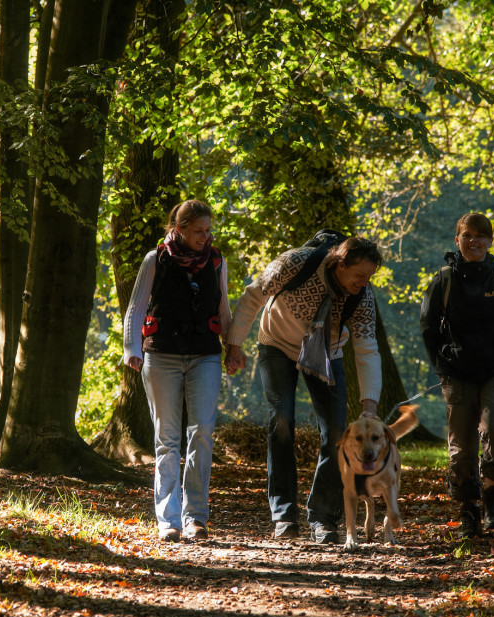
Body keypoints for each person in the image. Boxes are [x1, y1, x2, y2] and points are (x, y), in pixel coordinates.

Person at [224, 235, 383, 544]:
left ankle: (324, 518)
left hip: (327, 353)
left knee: (338, 432)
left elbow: (367, 349)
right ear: (340, 265)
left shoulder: (362, 297)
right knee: (282, 420)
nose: (364, 283)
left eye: (369, 277)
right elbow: (254, 295)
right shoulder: (295, 263)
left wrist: (370, 404)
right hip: (277, 343)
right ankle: (283, 514)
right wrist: (234, 345)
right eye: (359, 275)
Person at [123, 199, 234, 543]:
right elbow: (136, 306)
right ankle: (168, 520)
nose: (206, 236)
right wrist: (131, 348)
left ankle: (196, 517)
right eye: (199, 231)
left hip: (205, 355)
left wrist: (234, 346)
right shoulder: (155, 260)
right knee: (167, 440)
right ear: (180, 229)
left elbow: (224, 308)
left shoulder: (216, 262)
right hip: (161, 356)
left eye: (209, 230)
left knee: (201, 432)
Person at [419, 213, 494, 536]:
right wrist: (441, 363)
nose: (474, 241)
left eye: (481, 236)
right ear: (458, 241)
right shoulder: (443, 279)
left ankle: (493, 494)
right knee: (461, 447)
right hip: (457, 373)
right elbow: (428, 326)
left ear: (490, 241)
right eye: (468, 236)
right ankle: (469, 508)